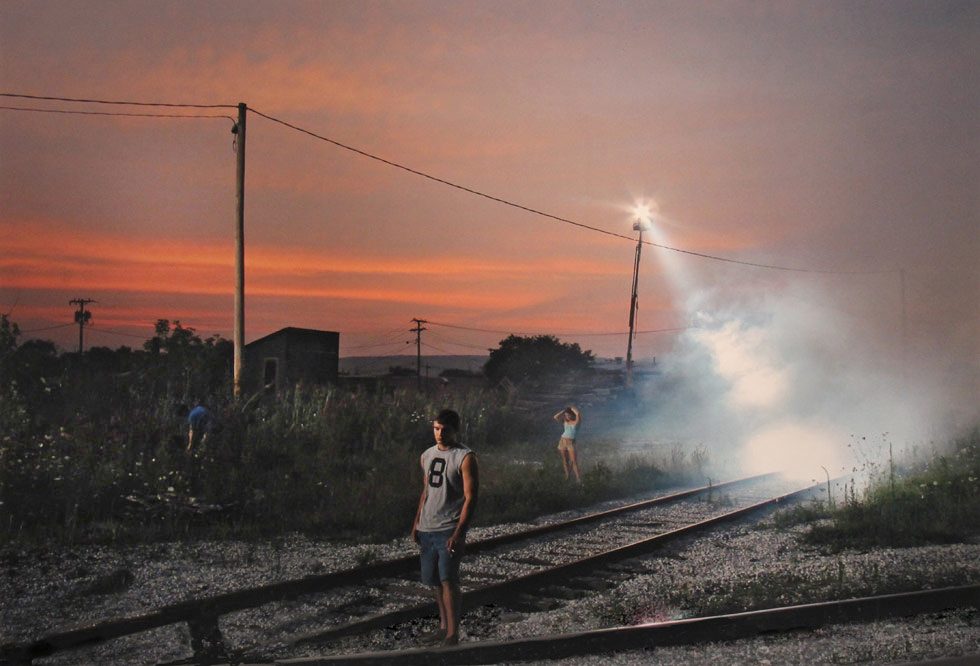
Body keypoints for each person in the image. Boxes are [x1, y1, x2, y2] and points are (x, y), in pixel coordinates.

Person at [411, 409, 479, 647]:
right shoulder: (426, 455)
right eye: (436, 428)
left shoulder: (465, 457)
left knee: (448, 579)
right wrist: (416, 523)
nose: (439, 434)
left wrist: (459, 532)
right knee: (434, 581)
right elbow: (426, 491)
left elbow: (471, 498)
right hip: (427, 527)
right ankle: (442, 627)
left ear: (455, 430)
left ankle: (453, 633)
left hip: (449, 527)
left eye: (445, 430)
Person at [552, 405, 582, 483]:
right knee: (565, 460)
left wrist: (572, 409)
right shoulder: (565, 422)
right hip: (563, 441)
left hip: (571, 442)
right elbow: (555, 417)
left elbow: (578, 414)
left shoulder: (576, 422)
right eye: (566, 415)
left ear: (572, 415)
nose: (567, 416)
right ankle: (567, 476)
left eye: (568, 415)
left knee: (574, 461)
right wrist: (563, 411)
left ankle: (578, 479)